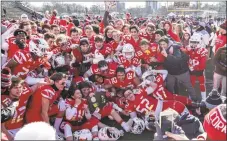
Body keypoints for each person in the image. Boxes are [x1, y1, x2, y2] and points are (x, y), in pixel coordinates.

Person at [159, 36, 197, 102]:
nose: (162, 46)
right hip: (171, 72)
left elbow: (178, 60)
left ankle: (195, 101)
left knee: (188, 86)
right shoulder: (161, 49)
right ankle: (171, 101)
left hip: (181, 72)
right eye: (161, 44)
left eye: (164, 44)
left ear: (167, 43)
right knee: (169, 87)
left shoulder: (175, 48)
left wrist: (167, 56)